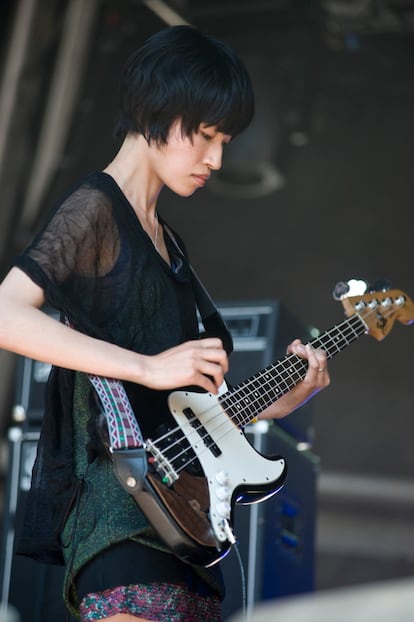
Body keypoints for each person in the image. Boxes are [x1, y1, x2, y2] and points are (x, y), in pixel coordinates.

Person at [0, 25, 330, 622]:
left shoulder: (170, 244)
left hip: (194, 529)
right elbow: (5, 313)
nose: (217, 159)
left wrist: (271, 405)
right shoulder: (97, 207)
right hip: (121, 517)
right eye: (206, 136)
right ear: (158, 111)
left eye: (225, 140)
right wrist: (147, 366)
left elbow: (172, 409)